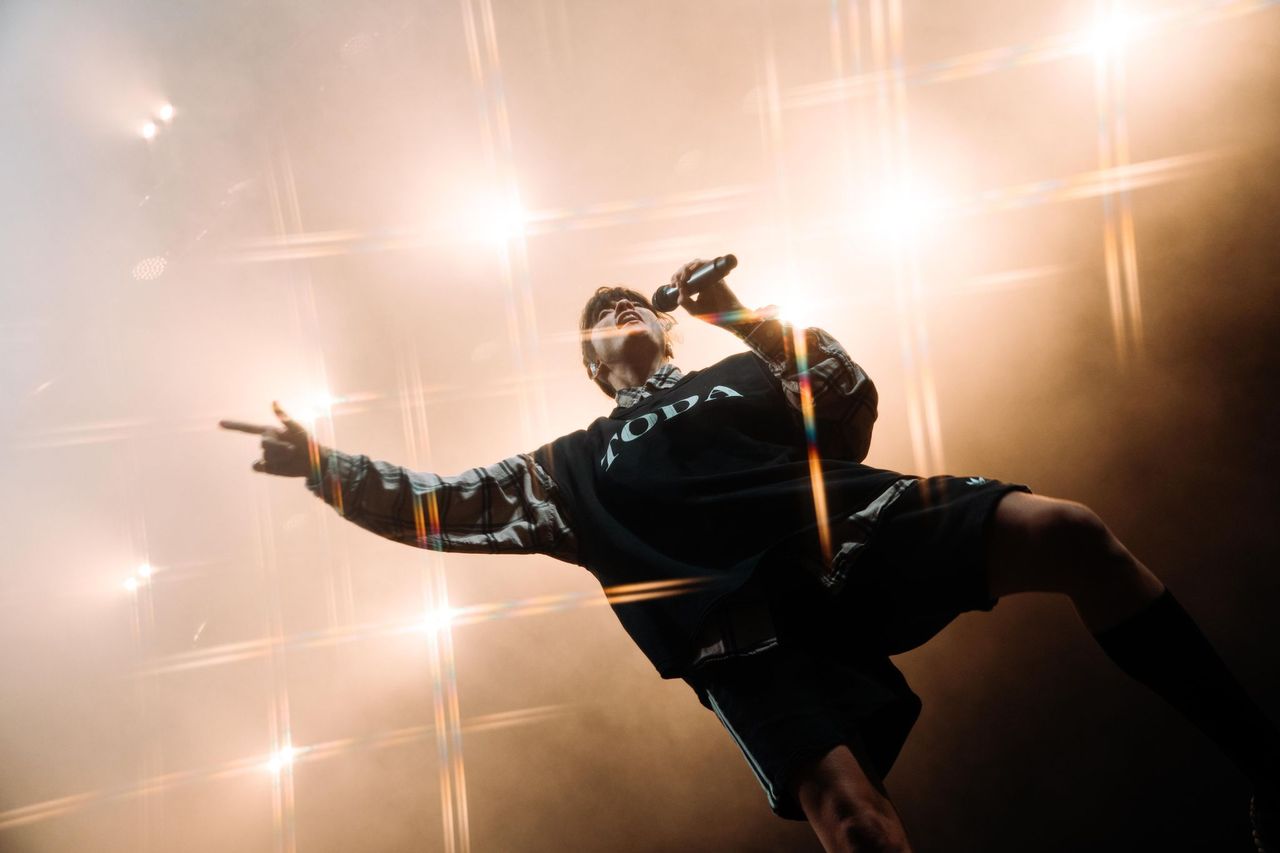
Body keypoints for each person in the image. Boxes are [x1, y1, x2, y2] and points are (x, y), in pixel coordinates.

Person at [222, 259, 1277, 852]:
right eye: (597, 317)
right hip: (741, 631)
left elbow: (847, 397)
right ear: (590, 365)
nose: (619, 309)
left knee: (1072, 532)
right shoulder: (568, 464)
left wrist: (737, 315)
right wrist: (325, 464)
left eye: (630, 300)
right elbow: (440, 505)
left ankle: (1269, 775)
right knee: (852, 821)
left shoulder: (733, 374)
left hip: (846, 531)